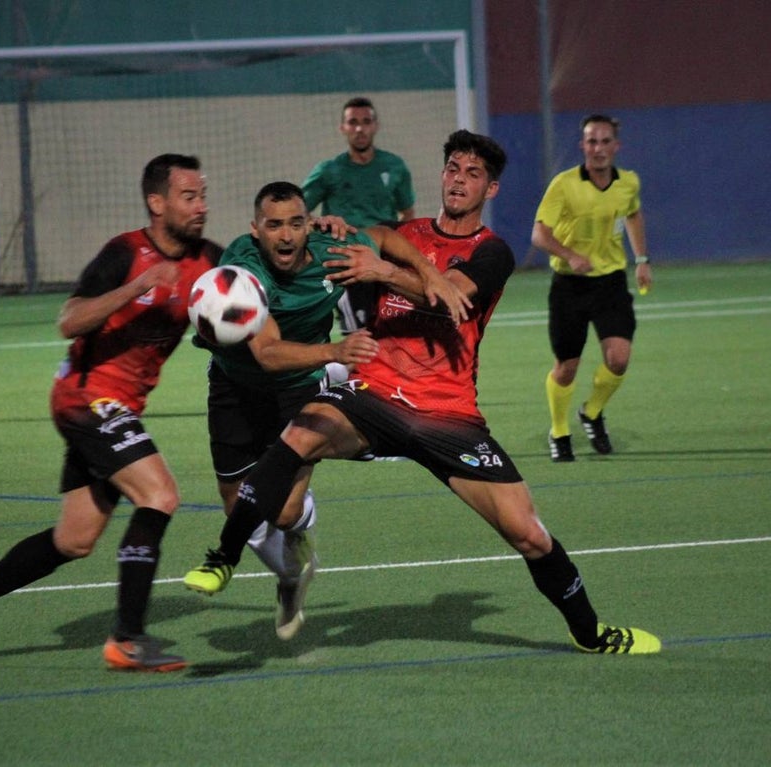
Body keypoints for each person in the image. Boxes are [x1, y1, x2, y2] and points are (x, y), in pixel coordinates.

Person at [184, 130, 661, 655]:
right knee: (297, 436)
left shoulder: (492, 252)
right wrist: (331, 228)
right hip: (374, 394)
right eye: (453, 168)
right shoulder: (405, 233)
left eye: (472, 174)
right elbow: (364, 238)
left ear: (491, 189)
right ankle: (223, 556)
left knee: (527, 533)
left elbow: (455, 298)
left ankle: (591, 632)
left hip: (447, 413)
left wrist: (385, 272)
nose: (459, 180)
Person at [0, 154, 221, 671]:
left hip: (120, 407)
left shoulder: (211, 261)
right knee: (159, 494)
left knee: (75, 539)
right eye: (189, 196)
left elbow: (247, 286)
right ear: (156, 203)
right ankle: (127, 639)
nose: (201, 206)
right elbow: (68, 321)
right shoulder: (124, 253)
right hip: (85, 398)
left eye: (203, 195)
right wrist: (138, 287)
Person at [199, 181, 466, 640]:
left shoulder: (332, 249)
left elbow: (382, 236)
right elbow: (268, 354)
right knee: (237, 507)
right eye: (273, 225)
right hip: (236, 389)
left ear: (309, 223)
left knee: (282, 513)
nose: (285, 236)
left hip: (298, 391)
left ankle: (299, 530)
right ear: (255, 230)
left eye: (295, 223)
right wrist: (336, 350)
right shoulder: (243, 269)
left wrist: (430, 273)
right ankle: (289, 578)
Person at [531, 114, 653, 462]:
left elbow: (633, 214)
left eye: (604, 141)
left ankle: (593, 412)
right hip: (569, 286)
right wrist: (570, 255)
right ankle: (559, 430)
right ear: (583, 146)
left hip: (611, 283)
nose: (598, 149)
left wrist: (642, 258)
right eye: (591, 141)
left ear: (616, 146)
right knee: (566, 367)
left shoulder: (628, 182)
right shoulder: (564, 184)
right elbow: (539, 234)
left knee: (619, 359)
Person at [302, 97, 416, 343]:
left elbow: (408, 214)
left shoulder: (395, 167)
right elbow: (299, 211)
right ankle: (356, 378)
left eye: (366, 122)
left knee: (390, 331)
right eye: (353, 122)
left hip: (385, 258)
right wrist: (321, 227)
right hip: (347, 259)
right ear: (342, 128)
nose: (359, 128)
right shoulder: (329, 170)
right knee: (358, 333)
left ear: (376, 126)